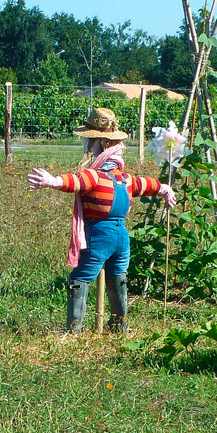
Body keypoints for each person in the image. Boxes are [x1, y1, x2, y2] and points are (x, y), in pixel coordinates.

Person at [28, 107, 176, 334]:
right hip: (122, 237)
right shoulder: (125, 179)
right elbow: (147, 185)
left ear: (97, 144)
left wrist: (53, 181)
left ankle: (73, 329)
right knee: (118, 277)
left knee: (81, 277)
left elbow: (74, 182)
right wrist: (165, 189)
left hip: (99, 235)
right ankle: (120, 326)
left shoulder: (93, 175)